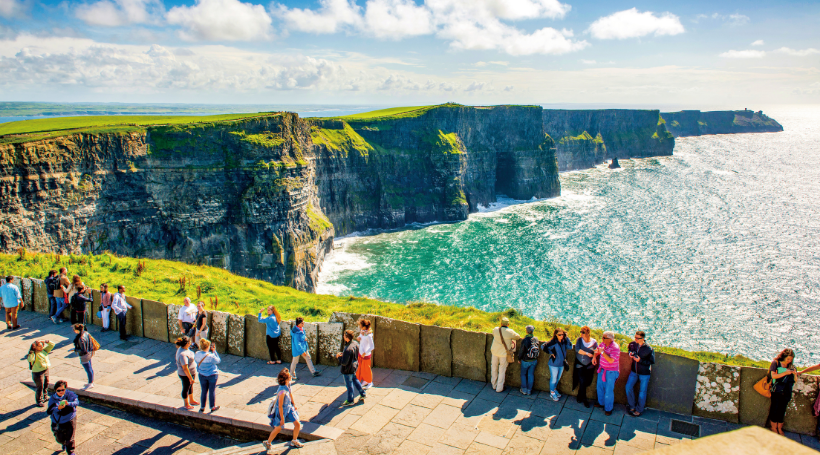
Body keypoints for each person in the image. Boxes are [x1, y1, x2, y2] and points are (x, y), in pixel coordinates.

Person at [263, 369, 303, 450]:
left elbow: (290, 394)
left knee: (297, 424)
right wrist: (282, 418)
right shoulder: (282, 391)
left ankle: (294, 441)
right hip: (282, 411)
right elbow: (280, 406)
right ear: (285, 379)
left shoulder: (288, 385)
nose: (291, 377)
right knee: (278, 428)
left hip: (289, 408)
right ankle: (268, 443)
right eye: (289, 377)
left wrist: (294, 404)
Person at [767, 348, 797, 435]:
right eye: (788, 359)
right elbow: (773, 376)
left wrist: (794, 374)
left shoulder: (792, 367)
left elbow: (795, 380)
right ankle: (774, 428)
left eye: (791, 359)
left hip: (787, 392)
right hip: (776, 390)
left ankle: (779, 428)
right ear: (784, 356)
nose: (789, 361)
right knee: (774, 409)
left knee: (782, 410)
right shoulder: (775, 363)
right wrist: (785, 373)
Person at [625, 331, 655, 417]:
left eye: (637, 338)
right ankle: (632, 406)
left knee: (642, 392)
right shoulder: (632, 344)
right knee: (628, 387)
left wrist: (640, 360)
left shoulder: (649, 349)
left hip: (644, 373)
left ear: (643, 338)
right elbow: (630, 349)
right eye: (635, 337)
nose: (635, 339)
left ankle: (639, 410)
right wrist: (630, 353)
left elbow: (652, 361)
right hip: (634, 371)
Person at [48, 380, 79, 455]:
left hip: (70, 418)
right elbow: (49, 411)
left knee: (70, 437)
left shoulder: (70, 394)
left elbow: (76, 402)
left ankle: (70, 451)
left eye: (63, 390)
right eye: (59, 390)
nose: (61, 392)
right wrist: (58, 408)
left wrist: (68, 403)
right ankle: (64, 443)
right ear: (55, 390)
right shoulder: (53, 399)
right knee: (60, 438)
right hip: (58, 421)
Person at [490, 317, 520, 393]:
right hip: (503, 354)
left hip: (494, 352)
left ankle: (494, 384)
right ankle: (499, 388)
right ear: (508, 324)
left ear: (501, 324)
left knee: (494, 368)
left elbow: (493, 334)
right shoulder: (510, 331)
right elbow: (517, 337)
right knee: (502, 370)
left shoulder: (496, 329)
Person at [594, 331, 621, 416]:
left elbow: (610, 360)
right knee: (600, 387)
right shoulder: (603, 344)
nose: (602, 339)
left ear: (610, 339)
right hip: (602, 369)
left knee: (609, 391)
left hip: (611, 372)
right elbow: (597, 350)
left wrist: (602, 352)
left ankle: (608, 408)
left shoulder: (615, 348)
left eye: (604, 337)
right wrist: (594, 357)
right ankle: (601, 403)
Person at [337, 329, 366, 406]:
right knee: (355, 380)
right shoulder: (355, 343)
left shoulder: (347, 349)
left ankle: (350, 400)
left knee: (349, 385)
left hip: (348, 369)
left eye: (344, 336)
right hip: (354, 367)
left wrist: (339, 357)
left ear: (347, 337)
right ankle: (363, 394)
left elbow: (344, 363)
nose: (343, 337)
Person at [543, 328, 572, 401]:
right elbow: (543, 346)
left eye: (562, 334)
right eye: (559, 335)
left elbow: (570, 347)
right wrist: (551, 353)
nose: (561, 336)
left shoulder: (564, 341)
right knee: (553, 379)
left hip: (561, 364)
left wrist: (567, 338)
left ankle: (554, 389)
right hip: (553, 364)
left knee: (558, 379)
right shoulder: (553, 342)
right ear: (556, 335)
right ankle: (552, 393)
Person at [573, 326, 598, 408]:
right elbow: (577, 350)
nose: (581, 334)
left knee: (587, 382)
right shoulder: (579, 340)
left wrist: (594, 357)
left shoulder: (594, 342)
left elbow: (596, 351)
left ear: (588, 333)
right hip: (580, 364)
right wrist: (587, 354)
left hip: (589, 366)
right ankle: (584, 399)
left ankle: (579, 395)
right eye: (581, 332)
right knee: (582, 381)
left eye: (583, 332)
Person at [194, 339, 221, 413]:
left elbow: (196, 361)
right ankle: (212, 407)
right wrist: (214, 351)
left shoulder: (197, 354)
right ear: (208, 347)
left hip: (202, 374)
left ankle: (202, 407)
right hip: (212, 375)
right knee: (211, 391)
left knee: (204, 391)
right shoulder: (211, 356)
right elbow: (218, 361)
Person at [28, 339, 54, 406]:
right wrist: (31, 353)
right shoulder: (34, 353)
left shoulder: (44, 351)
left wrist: (47, 342)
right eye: (39, 346)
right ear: (35, 347)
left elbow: (52, 345)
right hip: (38, 372)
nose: (41, 347)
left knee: (46, 383)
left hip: (45, 369)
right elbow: (30, 359)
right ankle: (39, 400)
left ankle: (45, 397)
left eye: (41, 346)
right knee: (40, 386)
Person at [175, 336, 199, 410]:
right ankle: (186, 404)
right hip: (185, 374)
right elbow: (185, 368)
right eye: (190, 342)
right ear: (187, 343)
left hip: (191, 372)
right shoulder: (183, 354)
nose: (191, 343)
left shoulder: (184, 349)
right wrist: (190, 378)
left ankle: (191, 400)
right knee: (186, 387)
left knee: (190, 386)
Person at [517, 325, 540, 396]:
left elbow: (521, 351)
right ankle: (529, 390)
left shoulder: (525, 340)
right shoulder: (536, 339)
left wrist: (519, 358)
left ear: (526, 331)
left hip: (526, 360)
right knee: (531, 375)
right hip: (534, 360)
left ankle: (524, 390)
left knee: (523, 374)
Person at [72, 323, 97, 390]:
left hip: (85, 356)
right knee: (90, 368)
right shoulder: (86, 333)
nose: (74, 331)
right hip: (90, 352)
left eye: (74, 329)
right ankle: (91, 381)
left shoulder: (81, 338)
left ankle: (90, 383)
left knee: (88, 369)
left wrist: (76, 349)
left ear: (77, 330)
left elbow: (83, 350)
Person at [356, 319, 374, 389]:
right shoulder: (362, 332)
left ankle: (370, 382)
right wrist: (359, 337)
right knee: (361, 368)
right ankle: (365, 380)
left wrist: (365, 352)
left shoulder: (369, 335)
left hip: (365, 355)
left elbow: (372, 346)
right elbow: (361, 337)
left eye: (360, 325)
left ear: (363, 326)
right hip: (361, 353)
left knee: (367, 369)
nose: (359, 326)